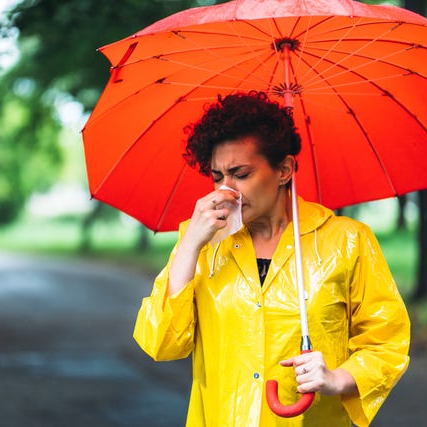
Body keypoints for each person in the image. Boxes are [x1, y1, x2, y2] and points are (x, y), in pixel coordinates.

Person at [133, 91, 410, 427]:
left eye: (241, 174)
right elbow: (162, 344)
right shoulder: (203, 243)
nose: (227, 191)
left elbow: (387, 343)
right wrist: (190, 244)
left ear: (284, 170)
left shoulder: (348, 241)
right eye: (218, 177)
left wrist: (339, 378)